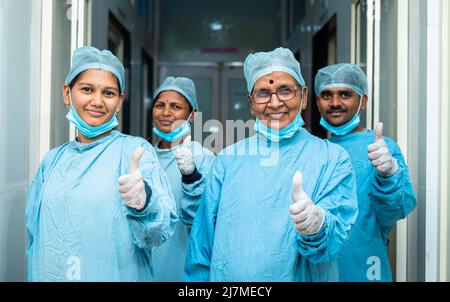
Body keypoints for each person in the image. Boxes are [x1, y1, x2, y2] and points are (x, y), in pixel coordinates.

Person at [184, 47, 358, 282]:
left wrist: (318, 225)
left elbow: (333, 242)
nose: (275, 103)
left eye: (285, 91)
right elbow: (202, 246)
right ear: (251, 103)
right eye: (263, 93)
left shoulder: (332, 158)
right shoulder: (227, 160)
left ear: (304, 96)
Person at [25, 46, 177, 281]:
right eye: (87, 89)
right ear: (67, 93)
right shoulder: (51, 161)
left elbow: (158, 234)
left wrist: (144, 201)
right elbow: (35, 239)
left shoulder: (134, 152)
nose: (97, 101)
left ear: (119, 101)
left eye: (108, 93)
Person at [314, 63, 417, 282]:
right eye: (326, 95)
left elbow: (395, 210)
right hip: (320, 269)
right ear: (316, 102)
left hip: (365, 268)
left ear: (363, 101)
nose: (334, 103)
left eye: (345, 94)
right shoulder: (314, 151)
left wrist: (389, 175)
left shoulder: (382, 149)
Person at [150, 76, 215, 281]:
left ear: (192, 115)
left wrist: (191, 176)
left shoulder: (204, 158)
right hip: (144, 268)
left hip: (184, 269)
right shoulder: (142, 156)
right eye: (160, 105)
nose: (166, 112)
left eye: (176, 106)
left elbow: (203, 220)